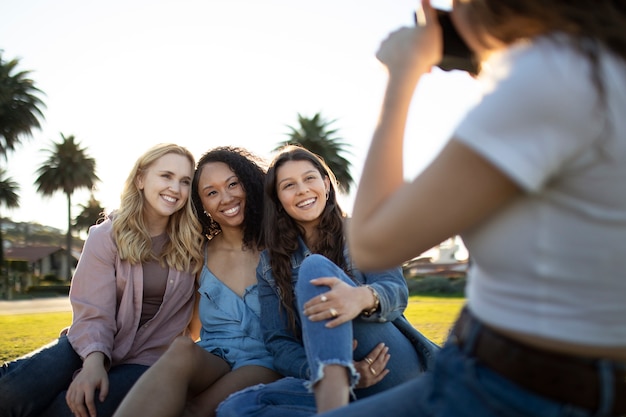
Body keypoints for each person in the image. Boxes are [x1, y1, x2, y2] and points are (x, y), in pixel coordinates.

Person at [321, 1, 626, 416]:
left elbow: (374, 243)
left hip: (509, 390)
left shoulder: (553, 74)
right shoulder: (598, 68)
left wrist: (404, 72)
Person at [216, 145, 439, 417]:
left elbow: (396, 293)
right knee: (236, 408)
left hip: (389, 365)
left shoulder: (362, 232)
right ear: (278, 199)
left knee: (314, 266)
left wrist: (360, 298)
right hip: (335, 381)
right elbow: (279, 342)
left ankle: (335, 406)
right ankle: (339, 393)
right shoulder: (270, 265)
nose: (302, 190)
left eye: (309, 178)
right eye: (289, 185)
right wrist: (327, 371)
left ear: (325, 183)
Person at [0, 143, 205, 417]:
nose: (175, 188)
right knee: (12, 391)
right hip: (87, 344)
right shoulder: (105, 236)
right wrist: (93, 363)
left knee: (70, 410)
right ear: (141, 179)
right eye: (166, 176)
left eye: (184, 181)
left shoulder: (195, 247)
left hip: (147, 360)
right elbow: (94, 311)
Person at [113, 146, 281, 417]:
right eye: (211, 192)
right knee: (181, 348)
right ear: (202, 205)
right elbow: (186, 327)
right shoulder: (199, 254)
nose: (225, 198)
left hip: (264, 361)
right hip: (214, 356)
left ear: (249, 183)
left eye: (233, 184)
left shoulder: (279, 250)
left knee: (195, 410)